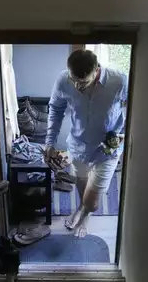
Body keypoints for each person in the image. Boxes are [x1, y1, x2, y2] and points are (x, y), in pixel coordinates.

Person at [44, 49, 127, 238]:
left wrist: (125, 133)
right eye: (74, 81)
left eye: (83, 83)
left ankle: (86, 212)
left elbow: (135, 105)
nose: (77, 86)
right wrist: (49, 143)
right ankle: (81, 208)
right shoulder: (64, 80)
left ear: (97, 70)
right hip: (78, 146)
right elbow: (56, 109)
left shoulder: (119, 81)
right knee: (81, 182)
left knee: (93, 202)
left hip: (107, 150)